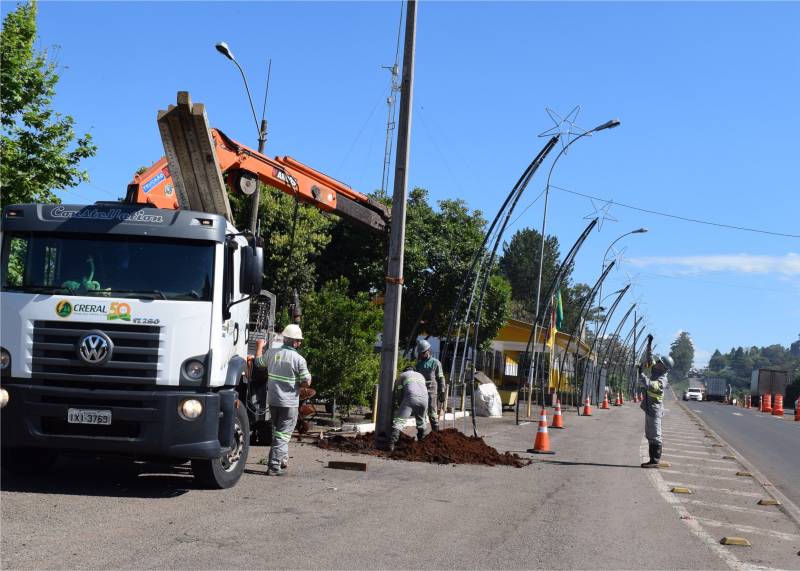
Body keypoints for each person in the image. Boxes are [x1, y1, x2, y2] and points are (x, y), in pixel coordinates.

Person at [252, 324, 312, 476]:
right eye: (299, 341)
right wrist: (300, 381)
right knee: (283, 435)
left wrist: (259, 347)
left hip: (273, 401)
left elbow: (258, 364)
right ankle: (274, 466)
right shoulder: (299, 359)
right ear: (295, 342)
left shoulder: (271, 353)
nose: (300, 343)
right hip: (289, 403)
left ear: (285, 339)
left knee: (278, 433)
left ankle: (283, 459)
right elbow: (306, 382)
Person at [639, 335, 674, 468]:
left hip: (655, 410)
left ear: (664, 367)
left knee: (655, 435)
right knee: (649, 434)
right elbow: (649, 358)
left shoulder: (662, 379)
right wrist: (649, 344)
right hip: (648, 407)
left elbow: (651, 385)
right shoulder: (656, 370)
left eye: (659, 362)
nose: (657, 362)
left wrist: (642, 375)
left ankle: (655, 460)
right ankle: (651, 460)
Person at [391, 366, 429, 450]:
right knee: (421, 421)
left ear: (405, 370)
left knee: (399, 421)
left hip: (411, 398)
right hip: (425, 400)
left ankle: (390, 445)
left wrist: (400, 405)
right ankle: (421, 444)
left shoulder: (402, 375)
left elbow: (399, 392)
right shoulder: (421, 375)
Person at [415, 339, 445, 433]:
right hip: (421, 392)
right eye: (420, 353)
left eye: (422, 353)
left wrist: (442, 391)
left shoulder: (435, 363)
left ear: (427, 351)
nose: (421, 355)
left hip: (432, 392)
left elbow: (441, 377)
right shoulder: (418, 364)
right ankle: (421, 434)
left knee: (432, 413)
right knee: (420, 414)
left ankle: (435, 433)